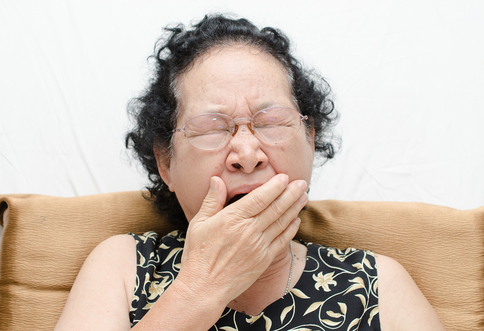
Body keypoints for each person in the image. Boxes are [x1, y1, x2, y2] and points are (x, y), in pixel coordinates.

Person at [55, 15, 446, 331]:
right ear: (165, 162)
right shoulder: (123, 267)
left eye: (272, 122)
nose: (247, 154)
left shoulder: (377, 285)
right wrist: (199, 289)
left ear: (310, 138)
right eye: (211, 128)